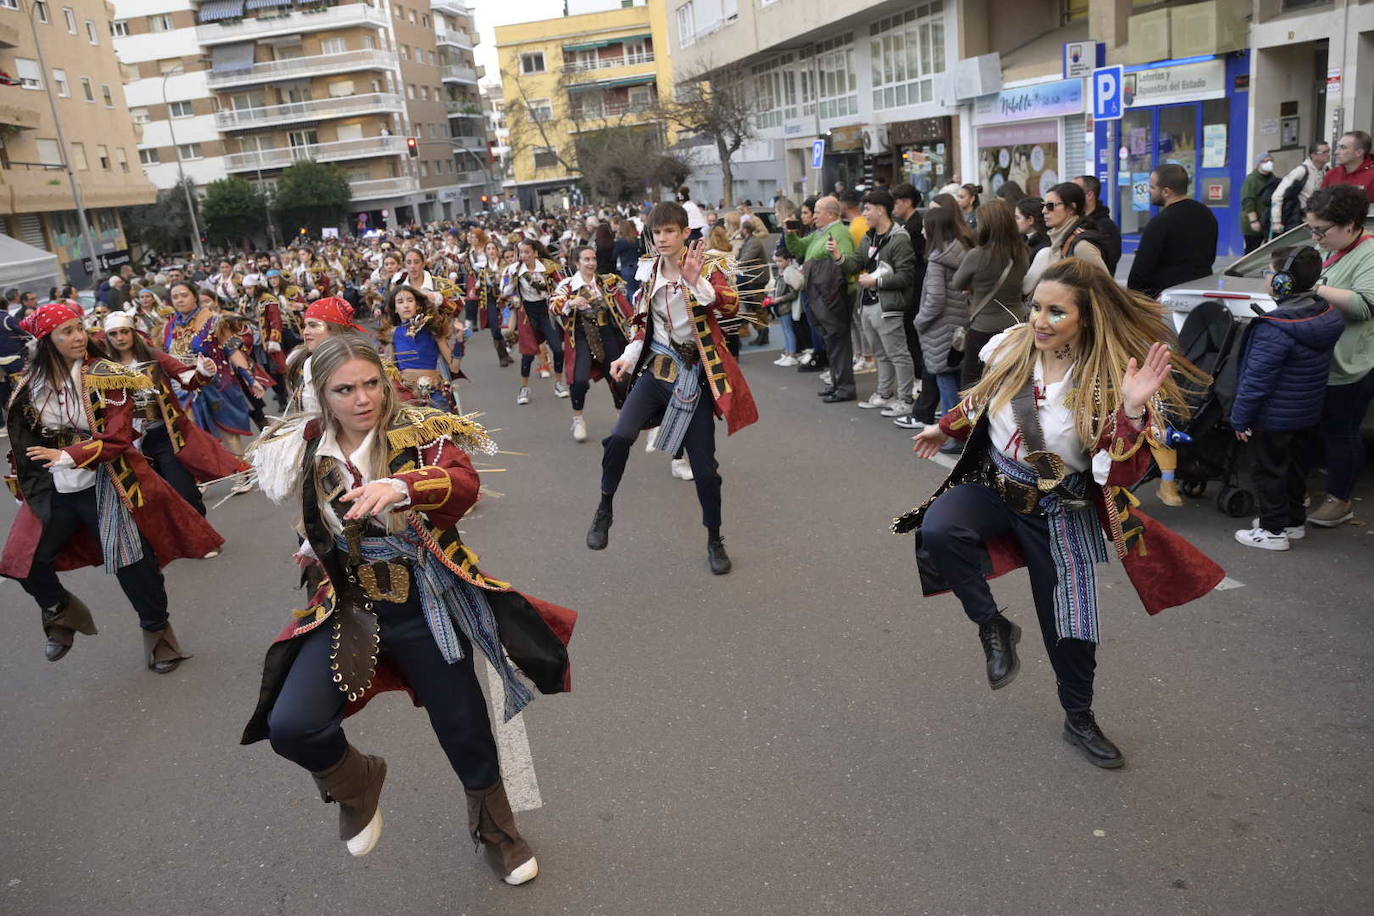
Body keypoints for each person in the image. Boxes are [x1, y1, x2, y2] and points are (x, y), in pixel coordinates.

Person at [242, 337, 576, 884]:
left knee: (462, 724)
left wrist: (401, 487)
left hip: (425, 603)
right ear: (323, 395)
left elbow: (463, 484)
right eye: (344, 389)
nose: (362, 399)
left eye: (371, 383)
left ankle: (498, 833)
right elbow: (308, 520)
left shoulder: (421, 431)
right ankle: (357, 783)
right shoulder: (305, 445)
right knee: (291, 725)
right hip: (347, 607)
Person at [899, 258, 1223, 768]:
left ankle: (1079, 717)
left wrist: (1133, 412)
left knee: (1069, 626)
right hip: (997, 486)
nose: (1040, 321)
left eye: (1056, 312)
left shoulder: (1111, 379)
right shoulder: (1010, 348)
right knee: (938, 530)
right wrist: (945, 427)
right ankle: (993, 627)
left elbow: (1118, 474)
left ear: (1086, 318)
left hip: (1059, 507)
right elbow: (983, 397)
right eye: (1036, 308)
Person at [1, 303, 223, 671]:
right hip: (53, 486)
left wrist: (68, 455)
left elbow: (118, 438)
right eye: (66, 331)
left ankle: (160, 638)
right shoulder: (29, 383)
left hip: (108, 479)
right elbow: (24, 434)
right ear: (46, 341)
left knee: (133, 564)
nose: (78, 337)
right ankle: (61, 614)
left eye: (79, 328)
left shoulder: (107, 375)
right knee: (21, 560)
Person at [586, 201, 758, 575]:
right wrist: (628, 357)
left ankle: (714, 538)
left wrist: (696, 281)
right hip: (655, 372)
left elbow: (729, 305)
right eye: (657, 232)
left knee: (706, 471)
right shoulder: (648, 271)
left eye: (669, 232)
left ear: (684, 234)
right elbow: (642, 324)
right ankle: (605, 507)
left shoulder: (707, 266)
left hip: (693, 376)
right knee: (618, 437)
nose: (662, 239)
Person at [1230, 247, 1345, 550]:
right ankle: (1293, 521)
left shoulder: (1276, 328)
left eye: (1270, 273)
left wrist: (1241, 417)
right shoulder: (1324, 314)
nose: (1267, 278)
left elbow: (1256, 381)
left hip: (1272, 416)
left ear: (1283, 283)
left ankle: (1272, 531)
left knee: (1268, 471)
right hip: (1306, 412)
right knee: (1295, 470)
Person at [100, 312, 244, 516]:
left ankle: (201, 535)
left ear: (133, 332)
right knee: (156, 497)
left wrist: (203, 371)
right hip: (132, 443)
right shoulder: (104, 368)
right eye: (114, 334)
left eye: (124, 332)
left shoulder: (153, 356)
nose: (120, 338)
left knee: (184, 490)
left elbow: (186, 377)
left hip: (166, 434)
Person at [1304, 185, 1374, 526]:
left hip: (1352, 364)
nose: (1316, 238)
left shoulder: (1369, 252)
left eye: (1322, 230)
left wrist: (1312, 288)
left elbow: (1363, 305)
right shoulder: (1330, 247)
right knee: (1314, 430)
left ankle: (1340, 499)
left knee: (1341, 432)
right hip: (1319, 361)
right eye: (1311, 229)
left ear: (1351, 224)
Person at [160, 281, 265, 458]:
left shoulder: (215, 321)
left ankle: (243, 473)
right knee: (194, 435)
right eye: (175, 297)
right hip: (185, 389)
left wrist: (250, 379)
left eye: (184, 295)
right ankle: (206, 476)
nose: (180, 300)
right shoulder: (170, 326)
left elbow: (232, 349)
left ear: (194, 296)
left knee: (228, 433)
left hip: (217, 385)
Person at [840, 188, 917, 416]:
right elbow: (854, 264)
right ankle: (885, 394)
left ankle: (905, 399)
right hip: (868, 303)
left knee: (898, 353)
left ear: (881, 210)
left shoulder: (900, 239)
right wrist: (838, 257)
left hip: (888, 304)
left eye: (868, 209)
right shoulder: (869, 236)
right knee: (881, 353)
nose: (864, 214)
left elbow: (906, 276)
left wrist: (876, 282)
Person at [550, 245, 633, 442]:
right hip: (581, 335)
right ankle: (578, 418)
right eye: (586, 259)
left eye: (593, 259)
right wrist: (570, 302)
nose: (591, 263)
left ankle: (622, 416)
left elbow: (626, 306)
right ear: (577, 263)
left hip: (607, 333)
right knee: (579, 380)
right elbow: (553, 306)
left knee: (618, 376)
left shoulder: (607, 281)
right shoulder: (567, 286)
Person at [951, 200, 1029, 387]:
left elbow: (957, 283)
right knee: (1008, 383)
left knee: (974, 384)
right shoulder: (1022, 252)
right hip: (1015, 324)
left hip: (984, 327)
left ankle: (979, 418)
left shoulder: (977, 255)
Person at [788, 196, 857, 402]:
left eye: (818, 212)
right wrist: (790, 234)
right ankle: (837, 384)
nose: (814, 215)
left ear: (831, 214)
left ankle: (844, 387)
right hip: (820, 295)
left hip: (833, 296)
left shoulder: (840, 233)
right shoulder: (821, 233)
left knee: (839, 343)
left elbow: (845, 263)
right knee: (831, 343)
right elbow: (799, 249)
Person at [916, 205, 972, 430]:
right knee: (960, 380)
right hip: (961, 324)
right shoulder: (963, 251)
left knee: (944, 379)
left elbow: (935, 299)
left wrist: (919, 321)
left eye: (924, 227)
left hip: (939, 327)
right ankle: (963, 429)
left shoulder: (938, 259)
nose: (922, 232)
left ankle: (953, 432)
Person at [1126, 164, 1219, 299]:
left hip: (1165, 298)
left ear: (1166, 192)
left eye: (1152, 187)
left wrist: (1133, 302)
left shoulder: (1160, 222)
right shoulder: (1206, 214)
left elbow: (1140, 272)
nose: (1149, 191)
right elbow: (1209, 256)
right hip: (1200, 292)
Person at [503, 239, 568, 405]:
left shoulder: (548, 267)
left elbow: (562, 285)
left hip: (545, 311)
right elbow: (505, 291)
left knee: (557, 350)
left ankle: (559, 384)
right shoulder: (514, 270)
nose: (523, 256)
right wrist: (512, 294)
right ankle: (523, 388)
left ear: (535, 253)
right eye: (521, 252)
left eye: (527, 252)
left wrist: (559, 298)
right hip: (527, 313)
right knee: (527, 354)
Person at [1023, 182, 1108, 294]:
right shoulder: (1057, 240)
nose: (1044, 211)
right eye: (1043, 205)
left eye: (1050, 206)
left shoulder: (1081, 246)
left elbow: (1106, 288)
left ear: (1072, 208)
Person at [386, 285, 461, 411]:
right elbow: (390, 371)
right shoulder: (392, 335)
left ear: (417, 304)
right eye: (400, 302)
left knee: (444, 427)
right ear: (394, 309)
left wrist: (460, 342)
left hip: (434, 393)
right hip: (406, 396)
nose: (406, 305)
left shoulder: (433, 331)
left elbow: (454, 367)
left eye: (410, 300)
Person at [1270, 142, 1331, 236]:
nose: (1328, 154)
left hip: (1320, 220)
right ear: (1313, 155)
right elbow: (1277, 195)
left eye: (1329, 151)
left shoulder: (1327, 171)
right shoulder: (1301, 171)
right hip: (1300, 221)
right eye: (1325, 152)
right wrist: (1276, 221)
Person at [1072, 175, 1122, 275]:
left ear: (1089, 195)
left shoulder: (1105, 226)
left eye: (1075, 192)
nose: (1070, 196)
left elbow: (1109, 261)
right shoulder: (1074, 220)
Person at [765, 250, 804, 366]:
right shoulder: (781, 273)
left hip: (785, 307)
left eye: (780, 261)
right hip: (780, 307)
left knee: (788, 331)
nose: (778, 264)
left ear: (788, 260)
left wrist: (779, 299)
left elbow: (793, 293)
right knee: (785, 331)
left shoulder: (789, 273)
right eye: (776, 261)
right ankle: (788, 353)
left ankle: (792, 354)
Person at [1240, 153, 1279, 254]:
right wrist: (1254, 221)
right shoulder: (1251, 180)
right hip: (1253, 222)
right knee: (1252, 250)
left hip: (1266, 221)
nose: (1269, 163)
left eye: (1271, 160)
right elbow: (1248, 201)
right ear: (1258, 164)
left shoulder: (1272, 179)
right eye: (1265, 161)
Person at [1320, 130, 1374, 201]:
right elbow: (1320, 204)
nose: (1336, 152)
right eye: (1338, 147)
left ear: (1359, 152)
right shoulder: (1332, 174)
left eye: (1343, 147)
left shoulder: (1372, 176)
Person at [613, 219, 642, 302]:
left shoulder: (620, 242)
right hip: (638, 266)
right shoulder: (636, 240)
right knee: (639, 290)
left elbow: (614, 256)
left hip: (626, 268)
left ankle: (634, 309)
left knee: (630, 290)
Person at [1016, 197, 1051, 262]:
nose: (1014, 221)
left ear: (1030, 220)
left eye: (1017, 218)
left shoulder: (1043, 248)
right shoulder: (1023, 239)